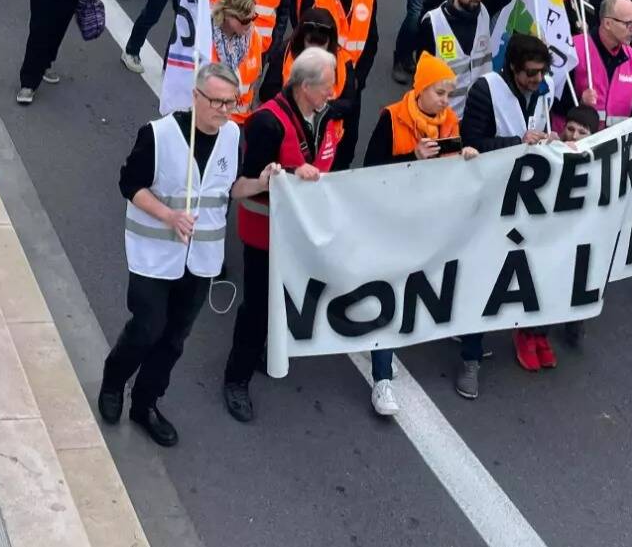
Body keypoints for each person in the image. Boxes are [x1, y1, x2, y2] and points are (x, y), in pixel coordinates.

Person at [101, 62, 279, 447]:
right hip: (154, 252)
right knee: (147, 327)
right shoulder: (158, 134)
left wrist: (261, 183)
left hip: (201, 259)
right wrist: (169, 215)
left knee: (174, 338)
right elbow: (130, 184)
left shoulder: (233, 134)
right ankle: (114, 380)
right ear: (195, 97)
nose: (224, 109)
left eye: (230, 102)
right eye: (216, 101)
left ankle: (145, 403)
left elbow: (230, 188)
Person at [223, 46, 343, 422]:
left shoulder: (319, 115)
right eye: (327, 85)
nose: (332, 92)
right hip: (265, 233)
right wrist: (291, 176)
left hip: (296, 231)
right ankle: (236, 379)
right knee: (256, 306)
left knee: (281, 300)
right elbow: (244, 184)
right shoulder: (267, 123)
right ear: (305, 86)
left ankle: (262, 349)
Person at [361, 52, 475, 416]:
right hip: (391, 222)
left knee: (412, 294)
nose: (446, 101)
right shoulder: (392, 118)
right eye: (440, 93)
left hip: (428, 224)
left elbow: (451, 173)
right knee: (391, 297)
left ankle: (384, 355)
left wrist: (466, 158)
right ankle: (381, 379)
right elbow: (369, 172)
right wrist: (411, 158)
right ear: (421, 90)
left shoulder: (450, 123)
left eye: (448, 94)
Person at [458, 33, 564, 392]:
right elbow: (471, 143)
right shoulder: (486, 91)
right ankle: (470, 357)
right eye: (531, 73)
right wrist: (517, 144)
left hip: (527, 200)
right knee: (483, 278)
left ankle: (530, 331)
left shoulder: (543, 93)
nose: (537, 80)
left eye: (541, 73)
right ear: (513, 68)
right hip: (489, 201)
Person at [296, 0, 377, 161]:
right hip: (317, 82)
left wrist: (357, 78)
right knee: (311, 146)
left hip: (351, 85)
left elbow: (372, 41)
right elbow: (303, 40)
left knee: (346, 148)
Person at [417, 0, 494, 115]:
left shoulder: (484, 13)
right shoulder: (433, 23)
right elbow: (423, 77)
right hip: (445, 117)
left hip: (478, 114)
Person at [570, 0, 632, 127]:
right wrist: (580, 102)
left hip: (612, 145)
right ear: (608, 23)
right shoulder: (575, 49)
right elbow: (550, 101)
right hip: (573, 142)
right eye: (629, 24)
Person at [210, 0, 267, 116]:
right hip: (210, 115)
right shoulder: (206, 36)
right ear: (228, 14)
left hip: (240, 117)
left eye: (253, 18)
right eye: (245, 20)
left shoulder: (254, 36)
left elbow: (255, 77)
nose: (250, 25)